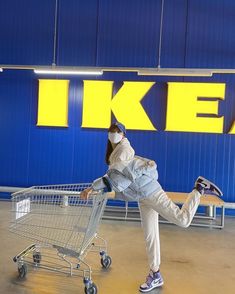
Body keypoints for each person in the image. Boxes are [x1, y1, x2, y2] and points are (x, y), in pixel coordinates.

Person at [81, 122, 223, 293]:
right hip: (142, 196)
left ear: (124, 135)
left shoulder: (124, 150)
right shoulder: (115, 153)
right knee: (150, 236)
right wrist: (97, 186)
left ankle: (199, 188)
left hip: (151, 192)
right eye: (112, 131)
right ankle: (155, 274)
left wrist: (92, 187)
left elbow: (117, 180)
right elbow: (113, 174)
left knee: (183, 220)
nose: (114, 134)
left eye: (118, 131)